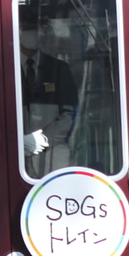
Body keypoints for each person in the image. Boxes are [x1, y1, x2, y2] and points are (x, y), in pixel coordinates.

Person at [18, 12, 77, 176]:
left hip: (53, 156)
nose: (33, 33)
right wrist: (17, 143)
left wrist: (43, 139)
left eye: (36, 29)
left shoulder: (59, 68)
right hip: (14, 156)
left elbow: (69, 113)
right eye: (28, 29)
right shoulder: (5, 69)